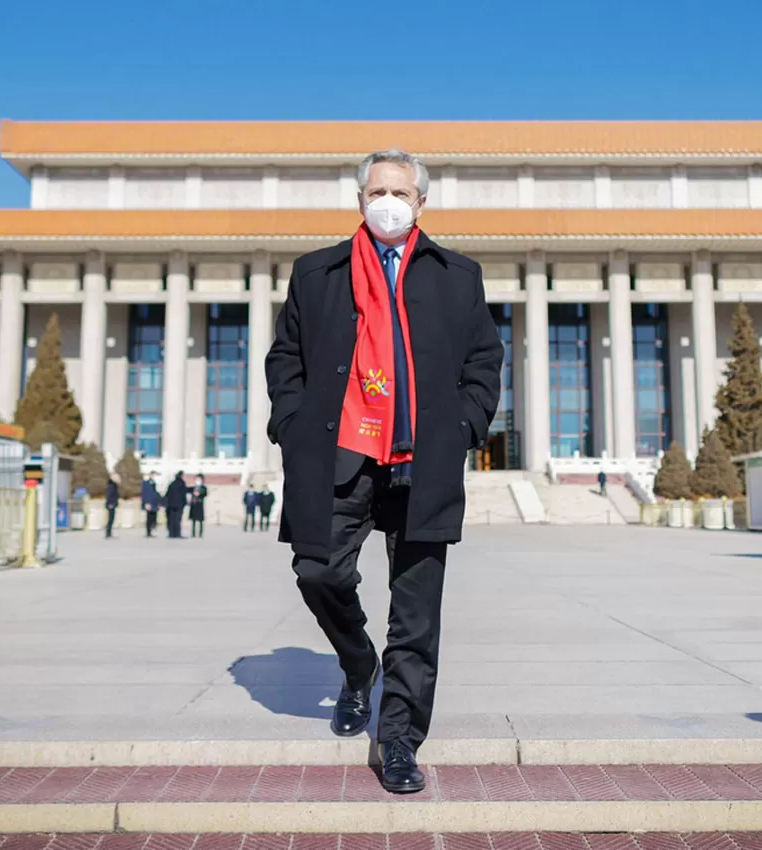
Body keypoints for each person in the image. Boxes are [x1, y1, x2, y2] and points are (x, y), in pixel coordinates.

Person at [265, 149, 502, 794]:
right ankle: (357, 663)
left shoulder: (457, 275)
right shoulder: (317, 274)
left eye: (401, 191)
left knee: (417, 614)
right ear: (360, 200)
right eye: (377, 191)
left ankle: (399, 739)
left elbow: (483, 361)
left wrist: (464, 428)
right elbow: (286, 358)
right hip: (339, 455)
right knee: (318, 571)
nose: (389, 201)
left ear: (421, 202)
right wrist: (290, 426)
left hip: (422, 461)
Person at [164, 471, 187, 538]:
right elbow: (183, 494)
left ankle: (171, 534)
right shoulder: (182, 484)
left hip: (171, 505)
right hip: (179, 505)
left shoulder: (171, 484)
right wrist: (184, 503)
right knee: (177, 520)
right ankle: (177, 534)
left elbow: (167, 494)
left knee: (171, 519)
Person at [141, 471, 162, 537]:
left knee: (154, 517)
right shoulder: (146, 483)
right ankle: (148, 532)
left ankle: (152, 528)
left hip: (155, 503)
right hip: (149, 503)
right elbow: (144, 494)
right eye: (153, 475)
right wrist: (146, 503)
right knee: (149, 518)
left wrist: (159, 503)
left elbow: (157, 494)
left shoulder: (155, 484)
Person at [104, 474, 120, 539]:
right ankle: (108, 533)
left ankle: (109, 533)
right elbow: (109, 495)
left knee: (112, 519)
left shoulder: (114, 485)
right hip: (111, 504)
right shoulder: (111, 485)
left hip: (113, 504)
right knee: (110, 519)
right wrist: (110, 504)